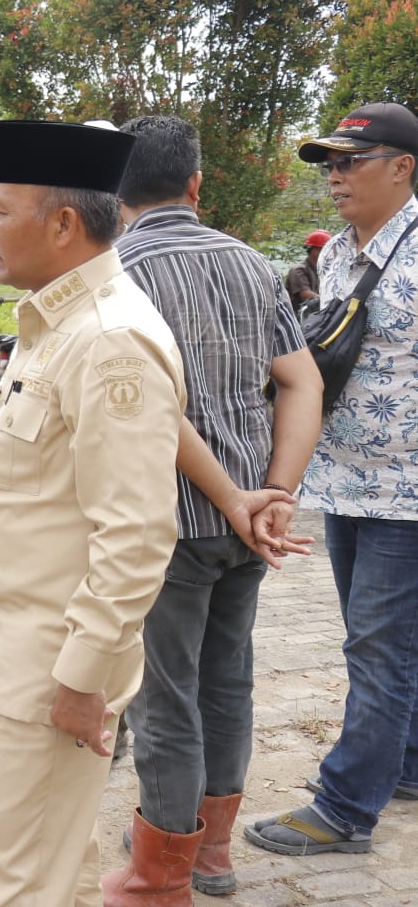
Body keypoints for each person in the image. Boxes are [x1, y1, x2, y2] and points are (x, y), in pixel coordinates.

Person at [0, 120, 187, 906]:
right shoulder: (56, 319)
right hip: (11, 657)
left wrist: (80, 680)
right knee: (51, 873)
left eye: (1, 210)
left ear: (64, 223)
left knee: (6, 886)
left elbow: (137, 536)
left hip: (44, 674)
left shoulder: (108, 341)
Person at [100, 115, 323, 903]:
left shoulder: (115, 271)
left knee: (165, 694)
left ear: (116, 192)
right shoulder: (253, 266)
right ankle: (216, 849)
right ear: (196, 185)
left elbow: (150, 409)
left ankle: (163, 868)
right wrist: (275, 497)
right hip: (250, 519)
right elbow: (302, 382)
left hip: (168, 518)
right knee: (228, 679)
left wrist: (238, 501)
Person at [246, 101, 418, 857]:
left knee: (378, 652)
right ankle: (405, 764)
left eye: (353, 160)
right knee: (384, 642)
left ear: (403, 167)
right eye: (330, 163)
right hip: (344, 481)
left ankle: (345, 808)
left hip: (407, 493)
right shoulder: (344, 251)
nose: (336, 176)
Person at [285, 229, 329, 312]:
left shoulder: (324, 270)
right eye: (323, 249)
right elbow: (306, 295)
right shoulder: (298, 270)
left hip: (316, 314)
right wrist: (330, 301)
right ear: (312, 250)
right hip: (298, 317)